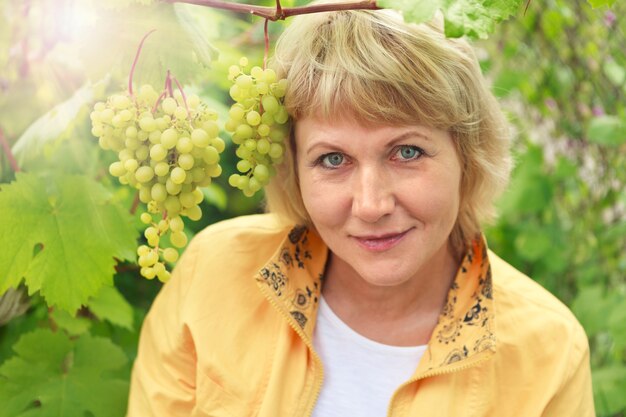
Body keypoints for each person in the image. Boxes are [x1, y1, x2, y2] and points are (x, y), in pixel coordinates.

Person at [127, 7, 595, 417]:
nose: (371, 205)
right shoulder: (213, 272)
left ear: (468, 153)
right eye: (333, 159)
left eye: (407, 152)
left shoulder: (549, 351)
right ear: (293, 167)